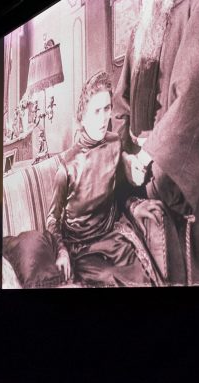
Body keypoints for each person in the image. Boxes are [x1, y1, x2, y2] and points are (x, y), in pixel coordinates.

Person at [113, 0, 199, 285]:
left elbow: (194, 95)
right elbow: (121, 102)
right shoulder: (142, 24)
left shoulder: (197, 6)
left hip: (176, 162)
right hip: (137, 168)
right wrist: (124, 157)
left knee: (188, 272)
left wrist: (149, 154)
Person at [46, 71, 164, 287]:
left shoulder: (114, 143)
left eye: (107, 108)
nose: (103, 118)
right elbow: (52, 218)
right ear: (82, 117)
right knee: (112, 278)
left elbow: (119, 192)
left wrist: (135, 206)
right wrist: (61, 251)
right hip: (81, 248)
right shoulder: (66, 166)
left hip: (111, 238)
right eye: (96, 111)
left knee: (142, 278)